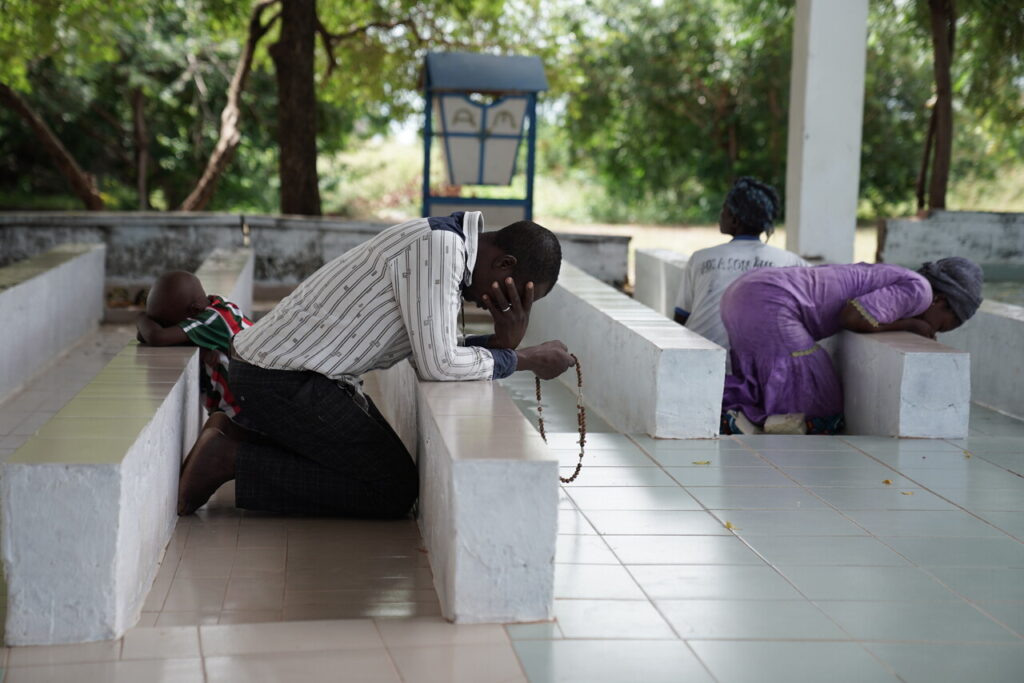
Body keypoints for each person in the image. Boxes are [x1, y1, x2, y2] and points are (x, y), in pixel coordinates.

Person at [177, 211, 576, 517]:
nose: (510, 306)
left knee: (387, 476)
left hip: (289, 374)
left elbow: (438, 350)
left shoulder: (446, 246)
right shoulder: (441, 249)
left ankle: (237, 435)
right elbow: (439, 364)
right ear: (504, 266)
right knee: (392, 491)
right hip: (283, 379)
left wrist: (500, 344)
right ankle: (227, 460)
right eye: (517, 295)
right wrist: (523, 358)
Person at [720, 256, 983, 435]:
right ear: (942, 301)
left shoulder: (898, 276)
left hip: (745, 291)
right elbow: (853, 316)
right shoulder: (920, 290)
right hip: (770, 302)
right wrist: (911, 326)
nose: (934, 331)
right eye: (944, 325)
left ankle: (740, 418)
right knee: (824, 401)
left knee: (768, 380)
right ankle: (743, 421)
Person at [673, 177, 807, 349]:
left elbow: (681, 316)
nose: (720, 215)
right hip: (757, 365)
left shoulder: (700, 258)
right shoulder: (789, 261)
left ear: (735, 220)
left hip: (700, 360)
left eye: (724, 210)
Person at [137, 270, 253, 424]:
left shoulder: (213, 319)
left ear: (194, 310)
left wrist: (140, 317)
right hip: (245, 406)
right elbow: (144, 336)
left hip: (247, 411)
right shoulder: (219, 305)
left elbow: (157, 337)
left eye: (170, 324)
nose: (171, 329)